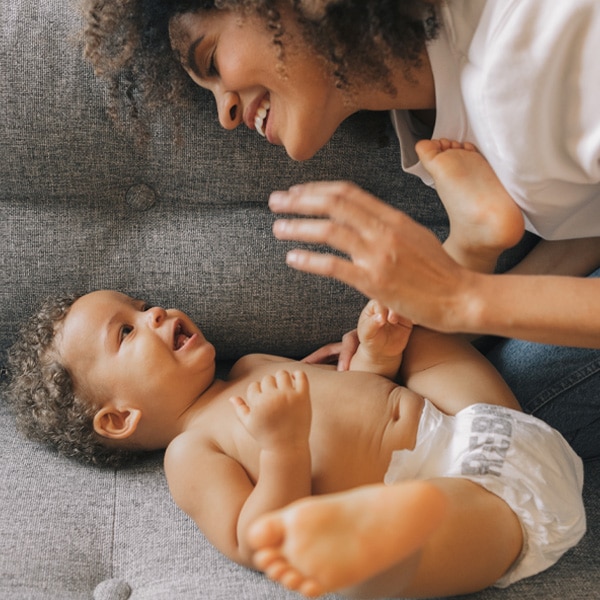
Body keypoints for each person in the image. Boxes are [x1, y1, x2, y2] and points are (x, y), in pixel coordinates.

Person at [6, 171, 585, 598]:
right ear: (118, 418)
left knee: (417, 328)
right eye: (127, 331)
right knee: (372, 566)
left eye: (143, 304)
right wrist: (282, 446)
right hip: (469, 506)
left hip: (476, 424)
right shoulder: (192, 453)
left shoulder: (256, 365)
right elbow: (255, 539)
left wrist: (379, 356)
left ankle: (505, 240)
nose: (156, 313)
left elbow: (363, 401)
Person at [82, 0, 600, 459]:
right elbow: (585, 227)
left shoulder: (544, 48)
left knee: (492, 426)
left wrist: (467, 296)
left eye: (212, 59)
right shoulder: (428, 120)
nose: (226, 113)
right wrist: (390, 346)